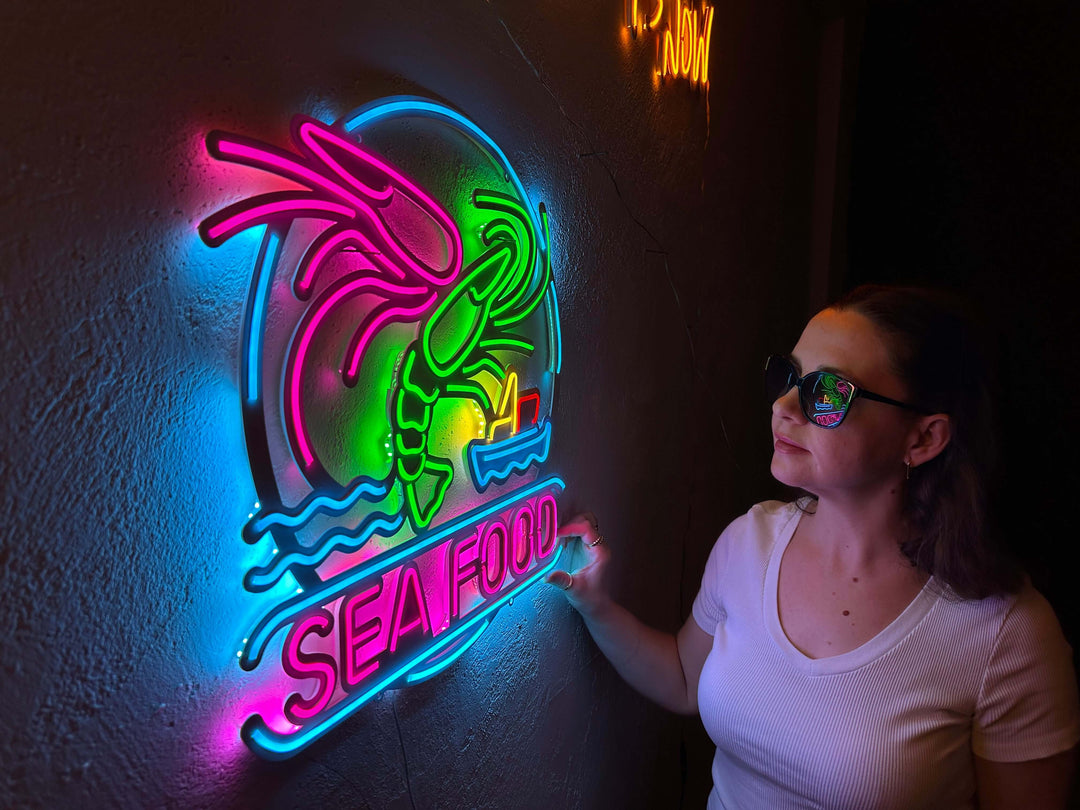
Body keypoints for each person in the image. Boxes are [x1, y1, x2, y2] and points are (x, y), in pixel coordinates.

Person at [548, 285, 1080, 809]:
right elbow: (686, 678)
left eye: (826, 393)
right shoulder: (748, 542)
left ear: (923, 439)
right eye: (789, 377)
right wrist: (595, 604)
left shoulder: (1007, 634)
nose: (783, 407)